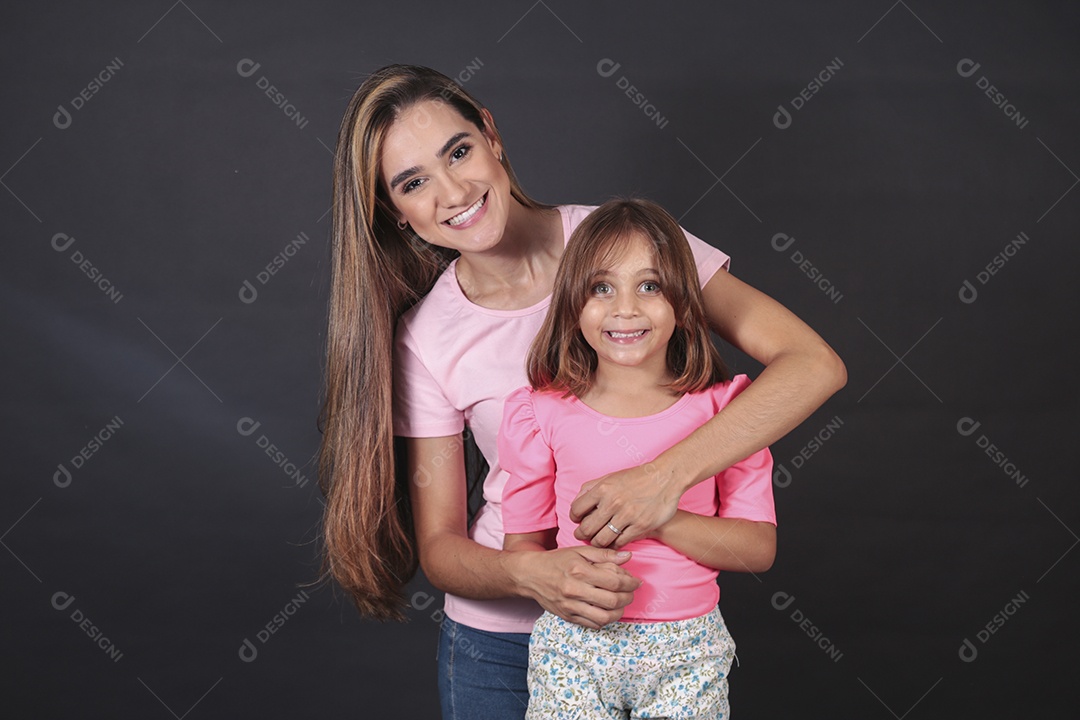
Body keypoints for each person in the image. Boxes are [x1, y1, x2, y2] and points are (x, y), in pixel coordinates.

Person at [318, 64, 845, 719]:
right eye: (414, 182)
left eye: (458, 151)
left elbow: (813, 364)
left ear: (491, 135)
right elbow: (443, 549)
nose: (453, 190)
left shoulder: (629, 245)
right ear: (393, 212)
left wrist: (664, 479)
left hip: (662, 638)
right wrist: (528, 573)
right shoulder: (425, 339)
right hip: (498, 652)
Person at [500, 197, 776, 719]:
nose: (625, 308)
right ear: (572, 303)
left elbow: (757, 549)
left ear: (683, 302)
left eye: (649, 286)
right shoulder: (539, 413)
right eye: (601, 288)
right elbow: (523, 553)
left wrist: (658, 513)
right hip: (573, 649)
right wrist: (557, 575)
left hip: (687, 652)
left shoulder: (727, 412)